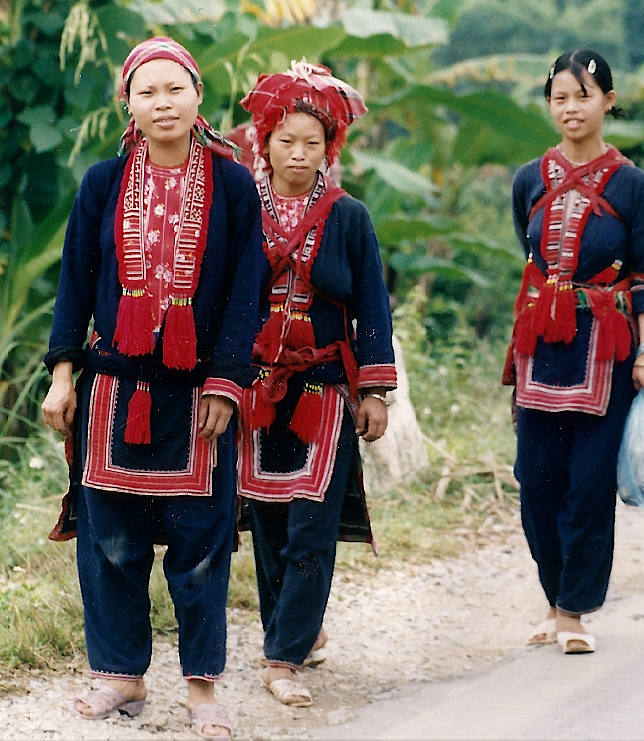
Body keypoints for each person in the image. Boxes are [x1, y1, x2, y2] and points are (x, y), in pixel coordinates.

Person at [41, 36, 264, 740]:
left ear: (199, 96)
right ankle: (120, 676)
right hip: (114, 388)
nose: (162, 103)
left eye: (175, 88)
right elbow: (75, 280)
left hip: (200, 394)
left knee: (200, 543)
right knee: (109, 539)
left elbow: (244, 292)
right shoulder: (102, 184)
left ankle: (202, 687)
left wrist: (228, 381)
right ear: (128, 105)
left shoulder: (232, 186)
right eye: (147, 92)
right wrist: (61, 373)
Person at [225, 61, 397, 707]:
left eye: (312, 143)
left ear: (330, 149)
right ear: (263, 142)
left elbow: (372, 306)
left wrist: (375, 390)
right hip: (257, 390)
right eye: (285, 140)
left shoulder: (348, 216)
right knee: (268, 520)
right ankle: (291, 634)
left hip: (324, 388)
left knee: (310, 525)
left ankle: (281, 656)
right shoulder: (242, 210)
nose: (298, 154)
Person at [503, 49, 644, 654]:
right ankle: (552, 598)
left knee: (589, 481)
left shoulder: (632, 185)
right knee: (536, 479)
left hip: (610, 348)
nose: (571, 109)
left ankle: (574, 611)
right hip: (539, 344)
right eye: (560, 98)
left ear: (608, 100)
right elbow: (531, 257)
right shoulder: (528, 180)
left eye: (583, 96)